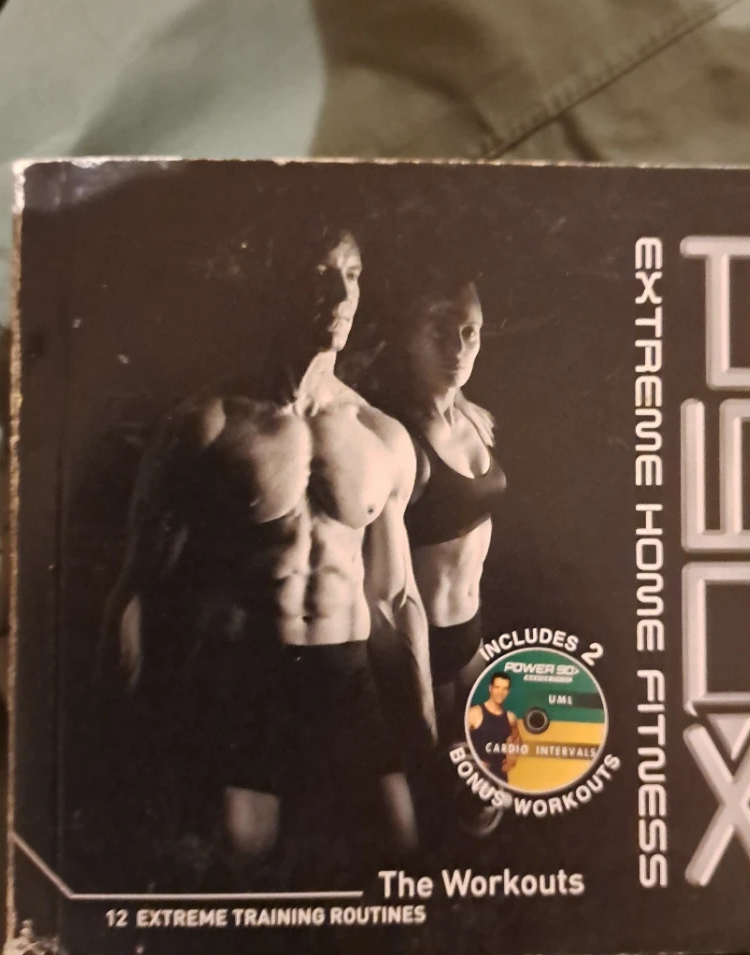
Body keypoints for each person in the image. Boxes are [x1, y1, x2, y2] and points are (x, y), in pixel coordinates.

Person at [103, 226, 435, 870]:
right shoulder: (208, 424)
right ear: (279, 285)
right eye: (320, 275)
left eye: (352, 275)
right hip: (245, 677)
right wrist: (121, 724)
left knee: (401, 852)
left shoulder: (382, 436)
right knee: (244, 864)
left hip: (344, 675)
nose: (340, 295)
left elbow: (397, 597)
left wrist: (423, 724)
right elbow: (138, 586)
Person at [366, 270, 506, 735]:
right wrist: (418, 697)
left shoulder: (471, 418)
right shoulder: (396, 435)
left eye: (470, 332)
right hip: (426, 654)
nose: (458, 348)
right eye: (440, 332)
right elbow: (383, 591)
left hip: (471, 640)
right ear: (410, 338)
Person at [467, 671, 521, 784]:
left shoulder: (510, 717)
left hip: (499, 778)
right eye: (497, 687)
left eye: (505, 689)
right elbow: (457, 743)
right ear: (490, 688)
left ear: (508, 691)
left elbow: (516, 739)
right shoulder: (474, 713)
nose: (500, 693)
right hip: (475, 778)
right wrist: (475, 762)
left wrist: (512, 758)